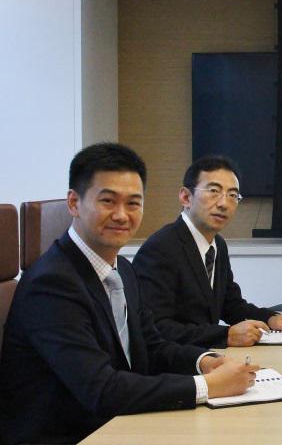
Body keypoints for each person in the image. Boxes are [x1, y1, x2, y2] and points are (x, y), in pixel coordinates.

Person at [0, 143, 258, 444]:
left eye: (133, 203)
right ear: (74, 203)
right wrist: (206, 386)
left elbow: (151, 345)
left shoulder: (121, 267)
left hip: (114, 423)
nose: (122, 215)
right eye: (108, 201)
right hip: (70, 434)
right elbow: (102, 389)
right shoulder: (51, 284)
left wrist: (205, 361)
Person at [133, 155, 282, 347]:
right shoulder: (161, 248)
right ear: (186, 197)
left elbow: (230, 305)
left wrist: (271, 319)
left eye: (232, 195)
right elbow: (157, 327)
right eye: (214, 191)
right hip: (174, 367)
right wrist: (225, 335)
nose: (224, 203)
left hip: (205, 356)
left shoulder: (217, 245)